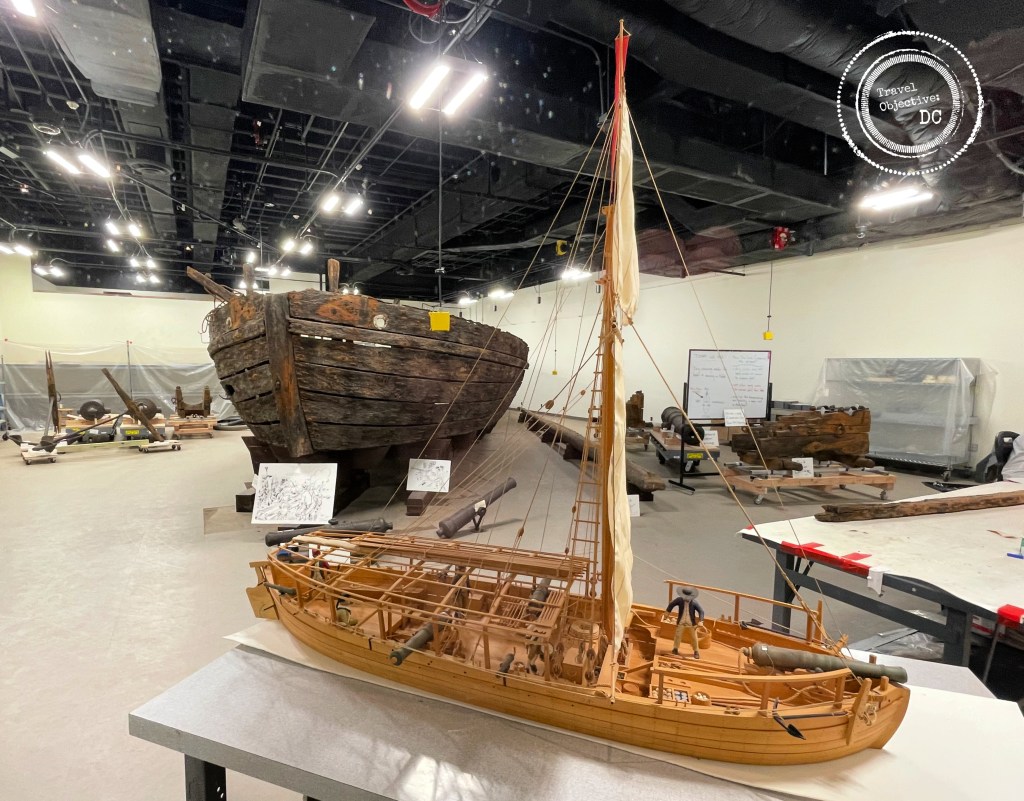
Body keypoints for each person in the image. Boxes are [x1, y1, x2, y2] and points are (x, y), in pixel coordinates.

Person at [666, 586, 705, 658]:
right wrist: (667, 613)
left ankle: (696, 651)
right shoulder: (679, 600)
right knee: (678, 636)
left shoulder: (694, 603)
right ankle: (675, 648)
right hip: (681, 622)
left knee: (694, 638)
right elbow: (671, 604)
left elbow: (701, 611)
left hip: (691, 624)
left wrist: (701, 621)